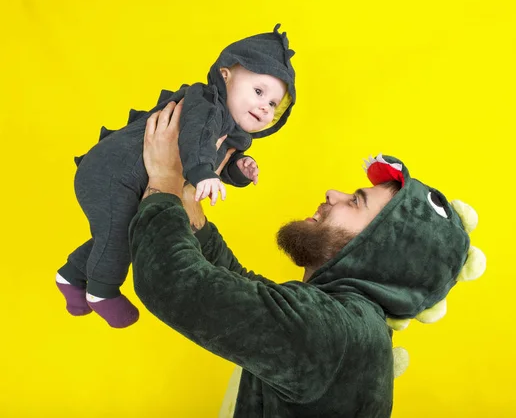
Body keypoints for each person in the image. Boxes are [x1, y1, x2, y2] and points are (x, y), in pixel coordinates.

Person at [130, 101, 478, 417]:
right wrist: (190, 206)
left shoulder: (333, 331)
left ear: (379, 250)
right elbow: (251, 293)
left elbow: (173, 283)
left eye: (356, 202)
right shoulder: (348, 325)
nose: (333, 194)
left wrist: (164, 180)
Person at [56, 24, 296, 328]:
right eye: (259, 91)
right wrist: (201, 172)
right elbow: (195, 139)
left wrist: (238, 170)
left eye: (273, 104)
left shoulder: (232, 134)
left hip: (130, 183)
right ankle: (102, 292)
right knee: (118, 237)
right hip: (113, 175)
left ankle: (70, 276)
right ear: (226, 75)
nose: (264, 106)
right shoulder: (206, 104)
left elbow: (217, 162)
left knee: (129, 233)